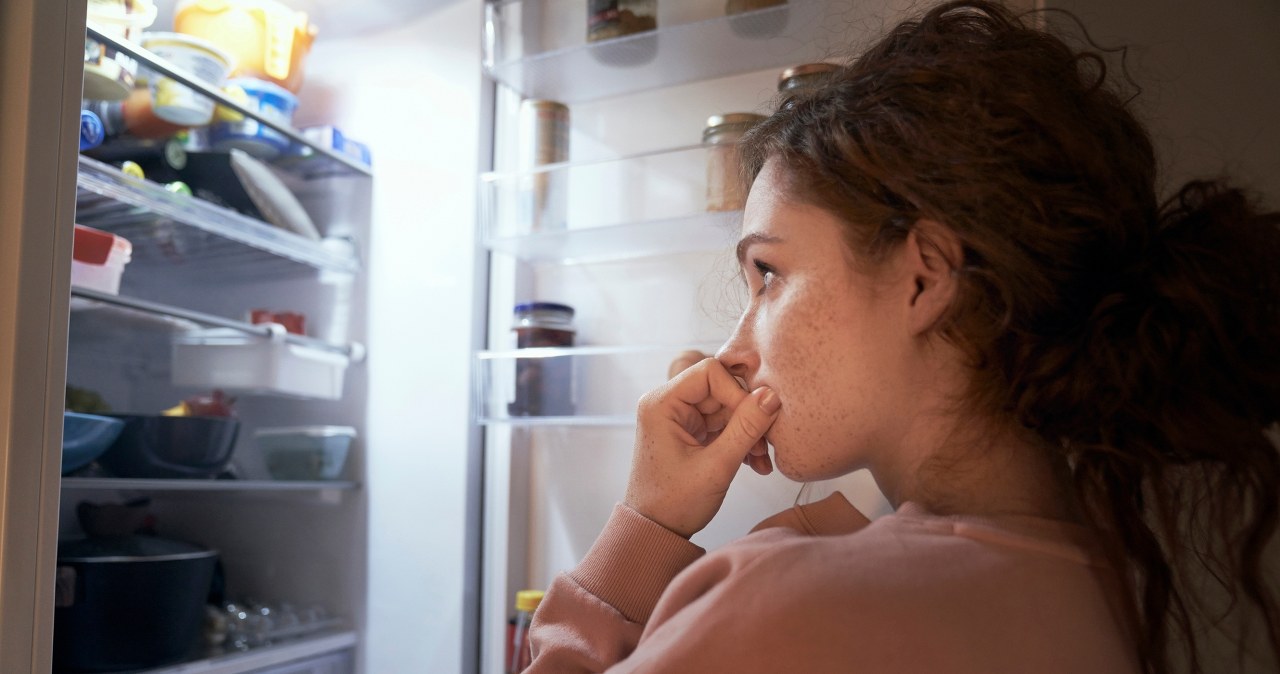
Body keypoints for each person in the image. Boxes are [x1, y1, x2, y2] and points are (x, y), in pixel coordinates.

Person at [525, 2, 1280, 672]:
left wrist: (645, 526)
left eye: (769, 275)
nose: (734, 352)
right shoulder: (1103, 582)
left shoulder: (784, 605)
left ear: (923, 278)